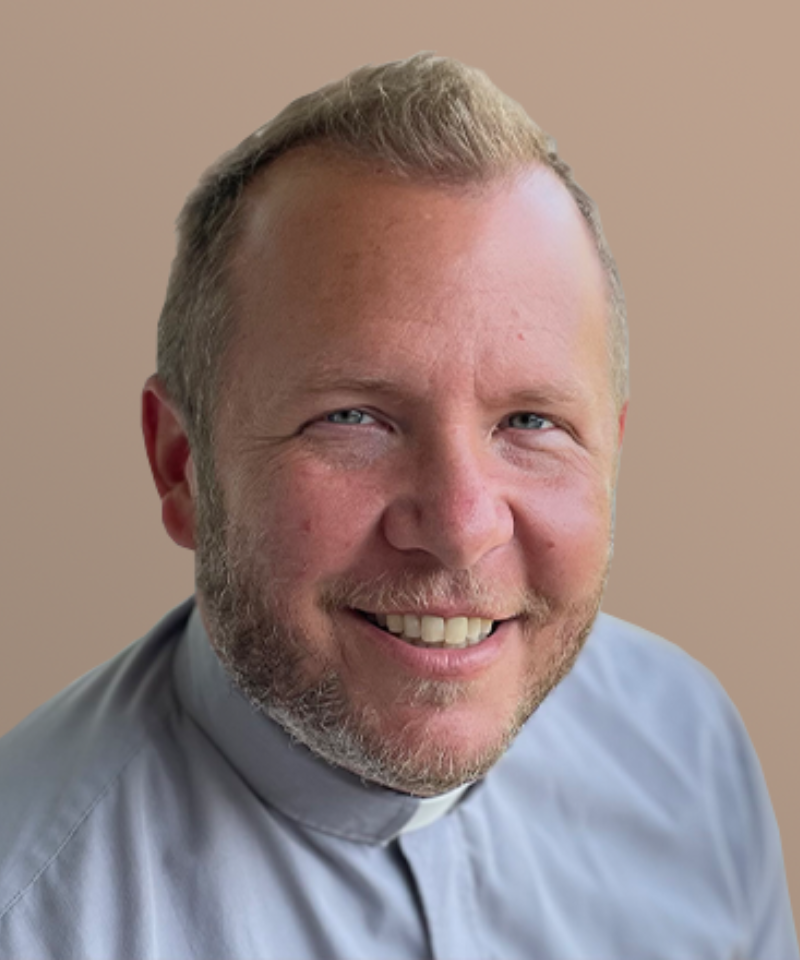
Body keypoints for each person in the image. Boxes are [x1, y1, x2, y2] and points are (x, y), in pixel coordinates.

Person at [0, 54, 795, 960]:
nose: (460, 526)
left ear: (612, 449)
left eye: (531, 421)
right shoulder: (29, 913)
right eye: (353, 419)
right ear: (181, 466)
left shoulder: (691, 746)